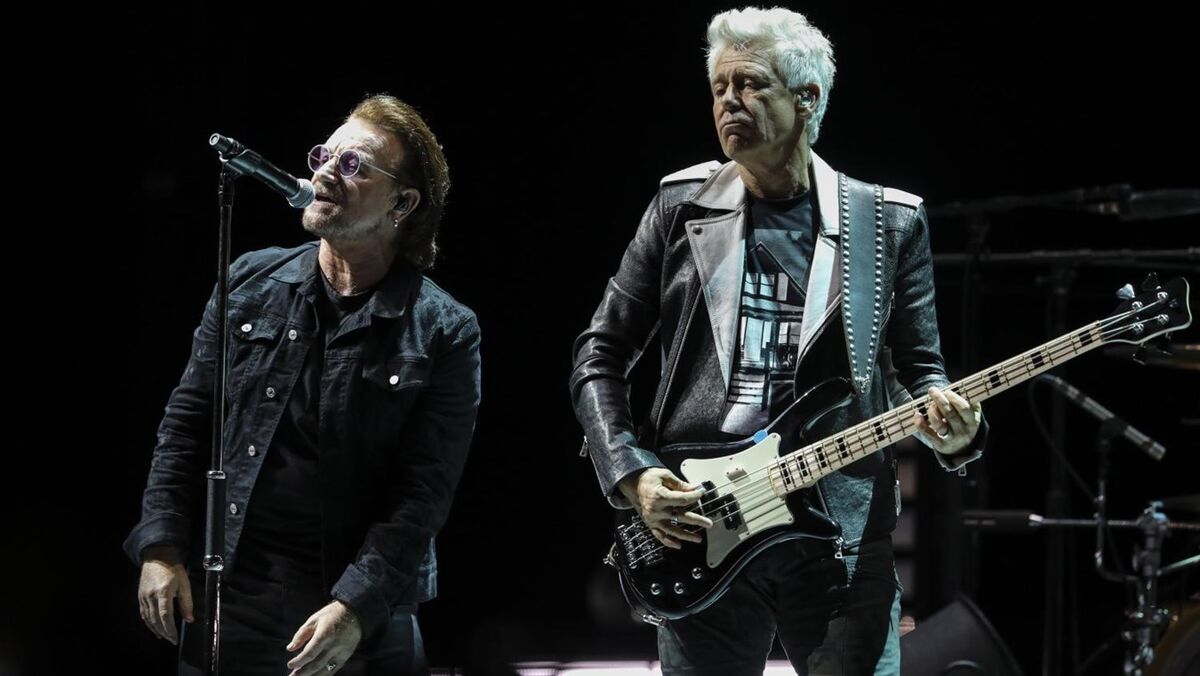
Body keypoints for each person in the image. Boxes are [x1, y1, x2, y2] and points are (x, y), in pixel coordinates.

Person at [569, 8, 986, 674]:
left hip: (838, 529)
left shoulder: (887, 220)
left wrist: (952, 428)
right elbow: (599, 354)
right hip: (704, 520)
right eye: (719, 87)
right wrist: (632, 473)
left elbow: (921, 368)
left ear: (807, 97)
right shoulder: (679, 207)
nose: (728, 101)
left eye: (750, 84)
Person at [126, 94, 481, 676]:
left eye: (353, 164)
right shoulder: (249, 280)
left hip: (353, 609)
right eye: (324, 155)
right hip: (232, 592)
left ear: (402, 202)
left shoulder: (444, 329)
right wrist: (161, 546)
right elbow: (187, 423)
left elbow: (423, 494)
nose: (325, 172)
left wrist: (356, 605)